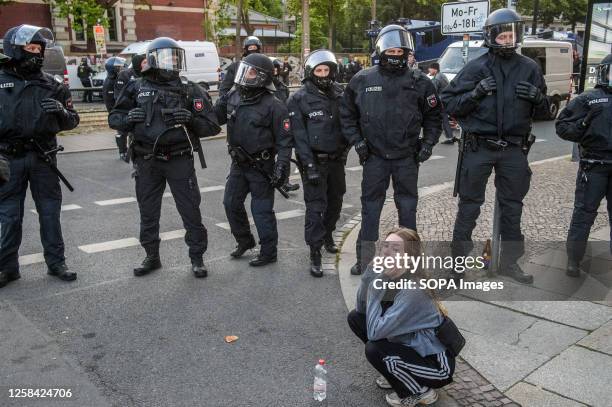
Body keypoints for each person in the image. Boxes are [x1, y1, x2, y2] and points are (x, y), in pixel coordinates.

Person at [440, 8, 549, 284]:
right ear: (491, 37)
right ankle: (457, 266)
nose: (507, 40)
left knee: (513, 207)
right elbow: (449, 102)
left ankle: (510, 263)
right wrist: (475, 94)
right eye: (502, 36)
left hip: (513, 149)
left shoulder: (530, 68)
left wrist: (537, 98)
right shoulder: (476, 67)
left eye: (511, 34)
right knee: (469, 206)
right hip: (479, 147)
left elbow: (547, 112)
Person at [109, 37, 221, 278]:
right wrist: (129, 119)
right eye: (166, 57)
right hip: (147, 159)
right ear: (152, 59)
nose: (172, 62)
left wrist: (191, 119)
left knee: (190, 210)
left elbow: (212, 126)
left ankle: (197, 258)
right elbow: (114, 118)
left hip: (179, 158)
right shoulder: (135, 87)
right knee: (148, 211)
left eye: (175, 57)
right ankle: (151, 256)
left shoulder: (189, 89)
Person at [340, 24, 442, 276]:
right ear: (382, 50)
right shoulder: (362, 79)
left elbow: (434, 116)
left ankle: (410, 262)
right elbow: (347, 115)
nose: (396, 54)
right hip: (374, 157)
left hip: (407, 157)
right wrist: (358, 142)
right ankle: (365, 260)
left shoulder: (420, 81)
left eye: (400, 50)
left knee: (408, 210)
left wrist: (428, 143)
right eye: (392, 50)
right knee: (370, 210)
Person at [0, 25, 80, 288]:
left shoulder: (52, 84)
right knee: (9, 216)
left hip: (43, 159)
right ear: (15, 49)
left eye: (39, 49)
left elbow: (72, 121)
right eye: (31, 48)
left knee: (49, 212)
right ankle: (7, 268)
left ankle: (56, 263)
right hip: (8, 160)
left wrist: (60, 111)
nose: (36, 54)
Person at [347, 228, 455, 407]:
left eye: (396, 249)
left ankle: (419, 392)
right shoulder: (390, 277)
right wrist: (368, 276)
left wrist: (375, 285)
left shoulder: (414, 290)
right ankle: (396, 372)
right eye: (385, 246)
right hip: (412, 347)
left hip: (436, 367)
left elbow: (374, 333)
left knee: (374, 349)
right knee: (355, 318)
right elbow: (361, 309)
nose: (387, 253)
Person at [214, 53, 293, 267]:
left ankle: (269, 252)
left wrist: (281, 169)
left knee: (261, 211)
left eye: (249, 71)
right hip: (238, 164)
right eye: (244, 70)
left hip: (261, 166)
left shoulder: (274, 105)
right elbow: (213, 119)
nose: (243, 75)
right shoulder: (234, 96)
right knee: (230, 203)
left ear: (260, 77)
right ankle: (245, 241)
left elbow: (285, 142)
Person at [288, 49, 348, 277]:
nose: (323, 74)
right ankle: (315, 251)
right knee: (316, 207)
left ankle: (328, 234)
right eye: (319, 70)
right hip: (313, 162)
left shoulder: (339, 94)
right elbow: (299, 137)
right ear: (311, 72)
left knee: (336, 201)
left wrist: (345, 151)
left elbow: (347, 126)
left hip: (336, 161)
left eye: (327, 70)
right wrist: (309, 166)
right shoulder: (298, 99)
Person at [556, 53, 612, 277]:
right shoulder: (588, 99)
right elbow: (562, 127)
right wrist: (584, 122)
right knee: (584, 214)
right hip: (594, 165)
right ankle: (574, 259)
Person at [270, 57, 300, 193]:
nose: (275, 71)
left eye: (277, 68)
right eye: (273, 68)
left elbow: (287, 103)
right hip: (269, 125)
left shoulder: (282, 86)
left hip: (282, 124)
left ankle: (284, 181)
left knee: (285, 154)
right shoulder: (264, 86)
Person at [102, 56, 128, 160]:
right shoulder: (109, 82)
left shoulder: (116, 79)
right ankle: (122, 151)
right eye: (119, 67)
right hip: (117, 112)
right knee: (121, 133)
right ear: (113, 69)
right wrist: (115, 114)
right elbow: (110, 101)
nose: (121, 68)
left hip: (122, 110)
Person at [428, 62, 453, 144]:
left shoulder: (437, 78)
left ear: (434, 69)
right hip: (447, 100)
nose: (429, 70)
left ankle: (449, 137)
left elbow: (432, 91)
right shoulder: (442, 75)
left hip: (442, 101)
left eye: (430, 69)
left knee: (442, 119)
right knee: (443, 119)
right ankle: (449, 137)